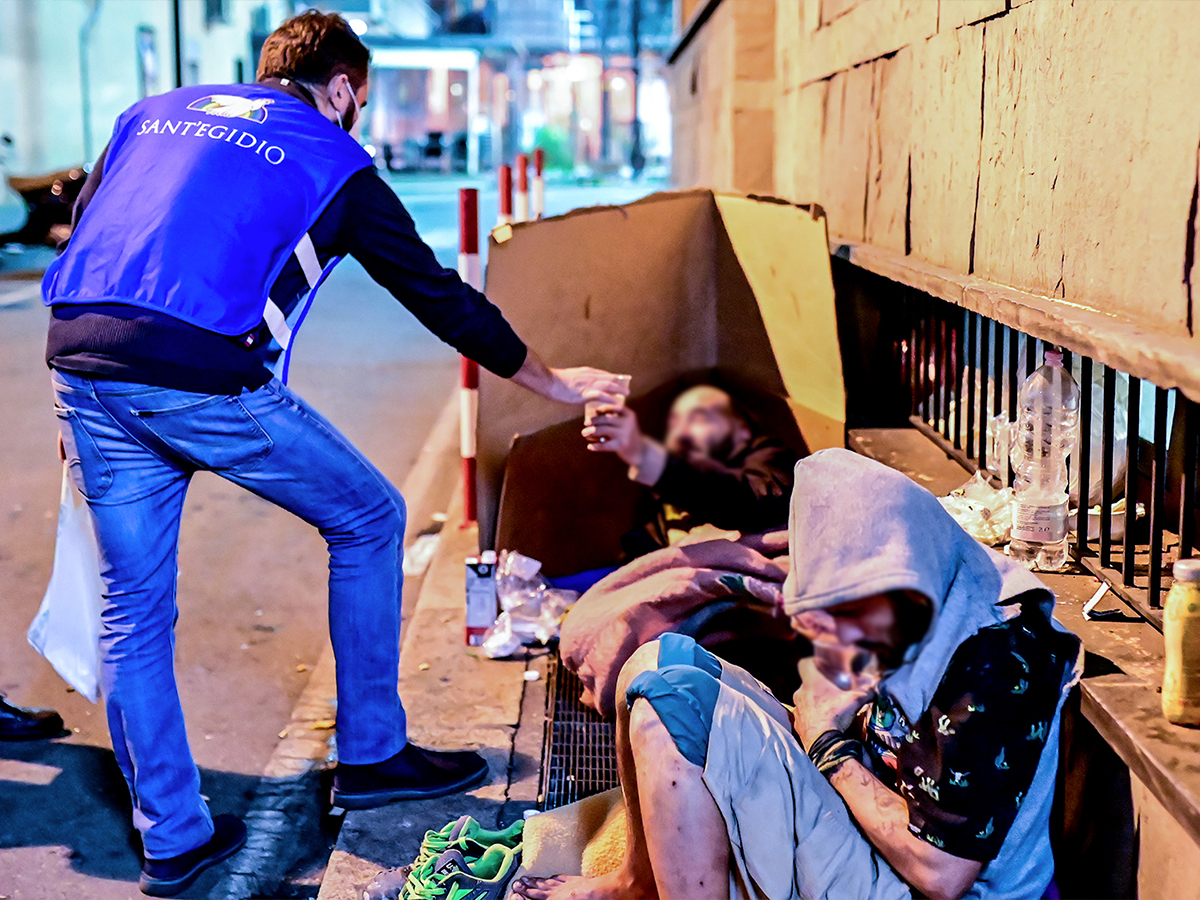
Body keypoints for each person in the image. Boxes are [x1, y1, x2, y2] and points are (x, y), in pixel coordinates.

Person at [42, 11, 626, 897]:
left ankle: (173, 838)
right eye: (361, 97)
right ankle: (372, 754)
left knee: (133, 608)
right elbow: (435, 294)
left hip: (81, 363)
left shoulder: (151, 112)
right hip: (201, 374)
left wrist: (79, 392)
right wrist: (555, 382)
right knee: (369, 516)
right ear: (344, 87)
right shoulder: (333, 157)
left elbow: (85, 225)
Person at [516, 449, 1081, 900]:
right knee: (658, 663)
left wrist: (826, 746)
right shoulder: (923, 578)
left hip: (919, 881)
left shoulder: (995, 665)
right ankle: (637, 884)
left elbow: (942, 875)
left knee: (670, 715)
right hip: (868, 819)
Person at [583, 385, 799, 557]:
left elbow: (748, 501)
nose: (685, 432)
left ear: (742, 427)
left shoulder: (769, 457)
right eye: (677, 424)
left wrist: (648, 457)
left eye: (700, 418)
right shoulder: (674, 489)